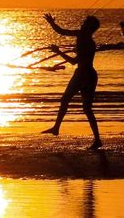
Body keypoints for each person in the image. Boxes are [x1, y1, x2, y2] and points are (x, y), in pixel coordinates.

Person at [41, 13, 102, 150]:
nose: (82, 24)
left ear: (89, 28)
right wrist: (52, 23)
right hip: (87, 75)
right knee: (83, 107)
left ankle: (57, 128)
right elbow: (63, 31)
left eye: (85, 23)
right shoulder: (82, 36)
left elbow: (74, 61)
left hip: (84, 75)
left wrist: (58, 52)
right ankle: (57, 128)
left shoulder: (87, 43)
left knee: (73, 103)